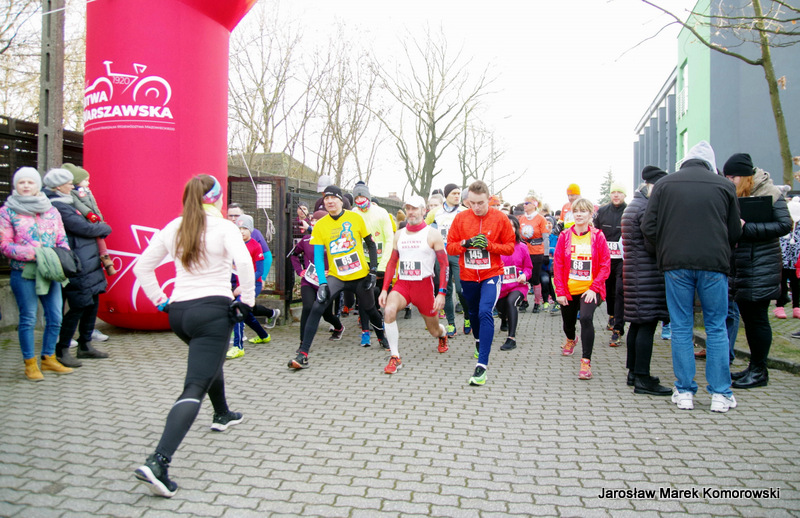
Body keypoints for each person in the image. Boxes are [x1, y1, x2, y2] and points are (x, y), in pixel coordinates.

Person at [133, 174, 254, 497]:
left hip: (180, 314)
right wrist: (247, 301)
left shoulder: (174, 227)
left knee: (209, 362)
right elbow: (244, 262)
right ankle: (159, 461)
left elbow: (141, 267)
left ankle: (222, 413)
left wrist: (160, 300)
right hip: (212, 312)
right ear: (216, 198)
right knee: (195, 385)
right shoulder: (225, 227)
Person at [642, 141, 742, 413]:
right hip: (714, 264)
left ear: (685, 161)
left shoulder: (664, 184)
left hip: (676, 264)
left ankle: (684, 390)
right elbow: (735, 230)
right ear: (711, 164)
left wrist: (665, 249)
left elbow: (648, 226)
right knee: (716, 326)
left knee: (681, 326)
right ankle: (720, 393)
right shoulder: (725, 186)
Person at [288, 185, 388, 369]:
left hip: (359, 276)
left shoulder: (355, 218)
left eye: (333, 198)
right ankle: (303, 353)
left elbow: (371, 245)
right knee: (317, 306)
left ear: (341, 201)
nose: (330, 201)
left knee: (370, 309)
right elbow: (318, 257)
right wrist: (322, 283)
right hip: (337, 276)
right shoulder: (321, 225)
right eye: (326, 198)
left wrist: (373, 271)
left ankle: (382, 337)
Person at [723, 153, 792, 389]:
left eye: (732, 177)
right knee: (750, 320)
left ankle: (760, 371)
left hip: (761, 266)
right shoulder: (736, 194)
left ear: (745, 176)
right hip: (742, 266)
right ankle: (754, 367)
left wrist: (747, 228)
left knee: (758, 320)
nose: (729, 181)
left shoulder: (771, 193)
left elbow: (784, 225)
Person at [0, 167, 73, 381]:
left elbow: (62, 240)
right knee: (29, 318)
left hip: (50, 272)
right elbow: (5, 245)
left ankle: (49, 358)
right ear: (15, 185)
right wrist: (35, 254)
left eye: (30, 182)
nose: (25, 186)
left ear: (37, 185)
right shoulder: (7, 211)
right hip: (24, 272)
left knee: (56, 316)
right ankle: (30, 363)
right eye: (21, 182)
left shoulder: (51, 210)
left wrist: (59, 256)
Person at [446, 180, 515, 386]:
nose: (476, 207)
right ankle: (478, 340)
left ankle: (482, 366)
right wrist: (465, 244)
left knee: (485, 312)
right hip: (468, 276)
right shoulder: (461, 218)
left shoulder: (500, 218)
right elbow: (450, 247)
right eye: (472, 203)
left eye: (481, 203)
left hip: (491, 274)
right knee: (474, 313)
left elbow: (510, 247)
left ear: (489, 199)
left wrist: (490, 246)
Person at [43, 167, 113, 367]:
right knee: (79, 305)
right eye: (68, 183)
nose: (71, 186)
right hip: (77, 263)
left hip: (88, 261)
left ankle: (85, 344)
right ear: (58, 186)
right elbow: (83, 227)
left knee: (92, 303)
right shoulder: (58, 206)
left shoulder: (69, 201)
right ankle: (62, 349)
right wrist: (104, 227)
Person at [378, 196, 450, 373]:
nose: (411, 212)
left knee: (433, 330)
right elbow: (392, 263)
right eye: (408, 209)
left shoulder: (432, 234)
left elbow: (444, 265)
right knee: (389, 311)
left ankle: (443, 335)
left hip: (424, 287)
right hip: (403, 285)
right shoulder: (399, 234)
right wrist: (385, 289)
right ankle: (395, 357)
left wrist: (441, 293)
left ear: (423, 211)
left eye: (415, 208)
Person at [621, 166, 672, 396]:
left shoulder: (635, 205)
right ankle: (642, 377)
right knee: (647, 324)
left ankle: (634, 372)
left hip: (636, 273)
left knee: (638, 323)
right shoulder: (646, 207)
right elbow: (652, 244)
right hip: (647, 274)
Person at [554, 197, 611, 380]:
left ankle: (586, 362)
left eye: (583, 211)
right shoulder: (565, 236)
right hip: (569, 289)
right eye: (576, 211)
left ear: (590, 214)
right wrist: (560, 291)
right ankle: (571, 339)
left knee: (586, 318)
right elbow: (558, 265)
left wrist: (594, 288)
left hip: (590, 289)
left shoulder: (598, 236)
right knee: (568, 324)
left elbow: (605, 265)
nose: (579, 214)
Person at [226, 215, 278, 359]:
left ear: (251, 229)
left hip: (253, 285)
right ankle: (263, 336)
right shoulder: (234, 245)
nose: (242, 231)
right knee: (247, 315)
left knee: (238, 308)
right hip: (238, 285)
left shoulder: (256, 245)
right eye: (239, 228)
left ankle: (238, 347)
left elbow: (259, 271)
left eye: (245, 228)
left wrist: (244, 285)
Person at [290, 210, 345, 344]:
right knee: (308, 307)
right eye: (313, 220)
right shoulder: (306, 240)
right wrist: (300, 271)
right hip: (309, 280)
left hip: (327, 281)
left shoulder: (335, 240)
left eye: (318, 221)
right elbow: (294, 255)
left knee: (326, 314)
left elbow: (342, 258)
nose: (315, 223)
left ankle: (338, 327)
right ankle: (303, 342)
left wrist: (333, 271)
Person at [426, 183, 471, 337]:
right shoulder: (435, 212)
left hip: (459, 254)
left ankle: (467, 317)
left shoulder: (465, 211)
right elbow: (424, 229)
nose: (457, 196)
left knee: (461, 290)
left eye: (458, 193)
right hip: (441, 256)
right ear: (446, 195)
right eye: (454, 193)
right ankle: (451, 323)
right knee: (446, 290)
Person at [352, 181, 394, 346]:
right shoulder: (353, 213)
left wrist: (382, 266)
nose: (359, 200)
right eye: (356, 198)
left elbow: (389, 239)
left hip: (381, 261)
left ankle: (384, 325)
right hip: (362, 263)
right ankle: (365, 332)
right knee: (364, 298)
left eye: (362, 196)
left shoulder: (381, 213)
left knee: (379, 296)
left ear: (368, 197)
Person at [60, 163, 116, 276]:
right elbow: (79, 205)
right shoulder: (73, 194)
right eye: (85, 180)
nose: (88, 183)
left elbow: (94, 205)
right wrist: (89, 214)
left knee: (99, 238)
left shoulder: (87, 191)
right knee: (97, 237)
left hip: (95, 220)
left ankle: (105, 257)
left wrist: (99, 215)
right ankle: (105, 258)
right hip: (87, 219)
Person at [594, 182, 627, 345]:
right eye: (613, 192)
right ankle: (612, 315)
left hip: (623, 259)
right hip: (606, 258)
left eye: (619, 192)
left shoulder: (629, 211)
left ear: (624, 195)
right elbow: (596, 232)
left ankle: (618, 329)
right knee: (609, 289)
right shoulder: (602, 211)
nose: (616, 195)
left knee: (620, 290)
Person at [497, 215, 533, 351]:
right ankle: (504, 318)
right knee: (502, 310)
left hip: (517, 286)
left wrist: (525, 275)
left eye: (512, 226)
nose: (508, 228)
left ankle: (511, 338)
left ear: (516, 229)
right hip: (500, 287)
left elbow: (528, 267)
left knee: (511, 302)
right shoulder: (495, 247)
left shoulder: (522, 247)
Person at [518, 194, 550, 313]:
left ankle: (537, 302)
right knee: (524, 277)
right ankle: (524, 300)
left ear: (534, 205)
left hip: (537, 252)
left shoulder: (540, 219)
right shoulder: (522, 219)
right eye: (524, 203)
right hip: (524, 252)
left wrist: (546, 254)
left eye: (527, 203)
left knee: (535, 278)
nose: (524, 205)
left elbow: (545, 237)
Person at [775, 196, 800, 319]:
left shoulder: (791, 226)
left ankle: (792, 307)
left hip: (791, 260)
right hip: (787, 261)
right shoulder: (786, 225)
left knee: (791, 284)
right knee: (788, 284)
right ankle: (785, 307)